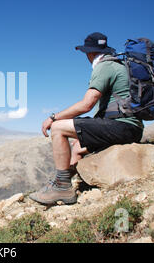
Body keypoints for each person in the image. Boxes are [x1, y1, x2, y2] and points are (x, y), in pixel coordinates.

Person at [29, 32, 144, 205]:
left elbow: (86, 104)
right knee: (77, 146)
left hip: (122, 127)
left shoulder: (104, 67)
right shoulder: (119, 65)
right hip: (130, 127)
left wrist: (53, 118)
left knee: (59, 128)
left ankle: (61, 187)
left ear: (89, 53)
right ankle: (61, 181)